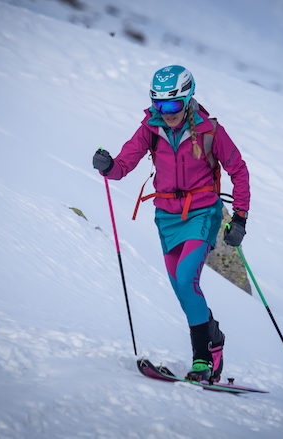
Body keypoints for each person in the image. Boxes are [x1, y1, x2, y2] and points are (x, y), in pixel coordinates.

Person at [93, 65, 250, 382]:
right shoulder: (150, 128)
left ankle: (203, 361)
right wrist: (108, 166)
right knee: (182, 289)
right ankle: (214, 338)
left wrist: (241, 218)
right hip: (166, 217)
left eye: (173, 105)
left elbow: (239, 171)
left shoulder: (210, 131)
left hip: (203, 212)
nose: (166, 112)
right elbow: (124, 164)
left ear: (188, 98)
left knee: (185, 277)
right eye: (159, 104)